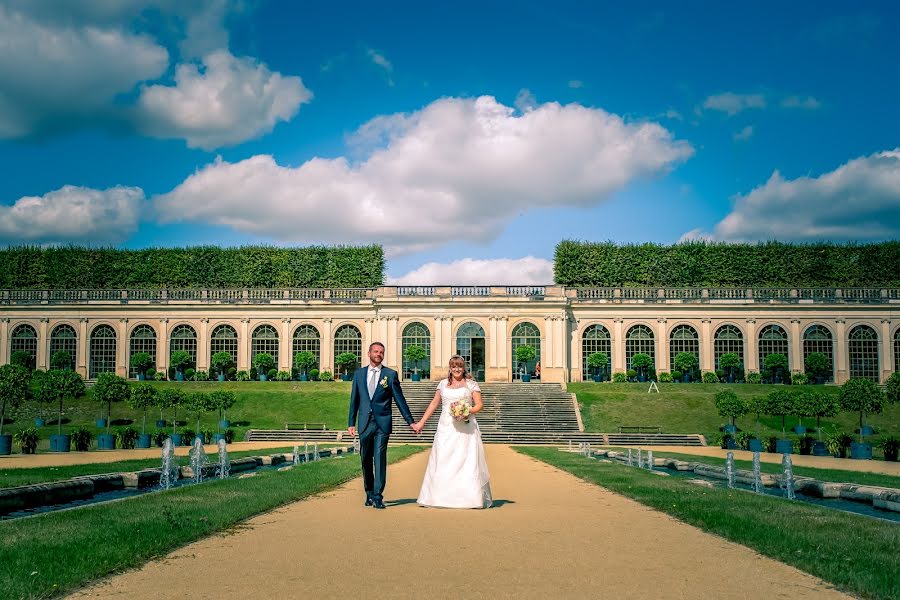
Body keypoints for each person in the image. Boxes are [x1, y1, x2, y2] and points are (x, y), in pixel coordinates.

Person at [412, 355, 492, 509]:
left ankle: (470, 499)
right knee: (443, 458)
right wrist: (421, 422)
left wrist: (467, 411)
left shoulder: (471, 384)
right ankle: (437, 498)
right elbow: (434, 404)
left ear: (464, 368)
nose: (457, 369)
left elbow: (479, 405)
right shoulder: (442, 384)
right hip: (445, 428)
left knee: (465, 459)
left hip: (466, 428)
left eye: (460, 366)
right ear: (450, 368)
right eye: (454, 366)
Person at [348, 342, 416, 509]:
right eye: (376, 351)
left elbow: (400, 400)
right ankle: (369, 492)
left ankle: (378, 496)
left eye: (381, 352)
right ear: (369, 353)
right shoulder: (359, 374)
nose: (379, 354)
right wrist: (351, 423)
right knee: (365, 459)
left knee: (379, 457)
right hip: (364, 423)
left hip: (382, 424)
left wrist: (410, 421)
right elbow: (354, 400)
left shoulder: (390, 374)